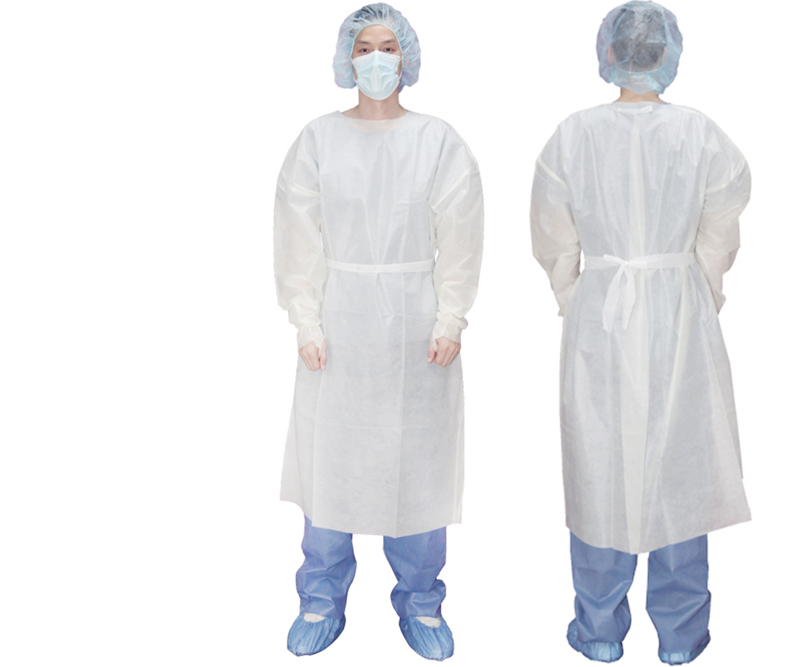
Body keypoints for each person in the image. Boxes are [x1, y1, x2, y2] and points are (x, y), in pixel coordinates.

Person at [530, 2, 751, 664]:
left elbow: (552, 236)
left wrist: (575, 295)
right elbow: (722, 224)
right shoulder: (698, 134)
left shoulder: (572, 136)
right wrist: (700, 288)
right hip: (677, 311)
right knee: (678, 468)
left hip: (602, 314)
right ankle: (681, 636)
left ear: (609, 54)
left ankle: (599, 630)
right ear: (669, 54)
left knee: (606, 471)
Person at [273, 3, 483, 661]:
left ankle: (421, 601)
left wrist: (451, 317)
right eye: (363, 47)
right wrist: (306, 319)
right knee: (330, 462)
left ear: (407, 58)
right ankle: (320, 598)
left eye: (388, 46)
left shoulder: (437, 140)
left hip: (418, 329)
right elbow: (297, 235)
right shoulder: (318, 140)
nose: (376, 58)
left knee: (416, 469)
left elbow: (462, 235)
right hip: (339, 325)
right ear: (347, 59)